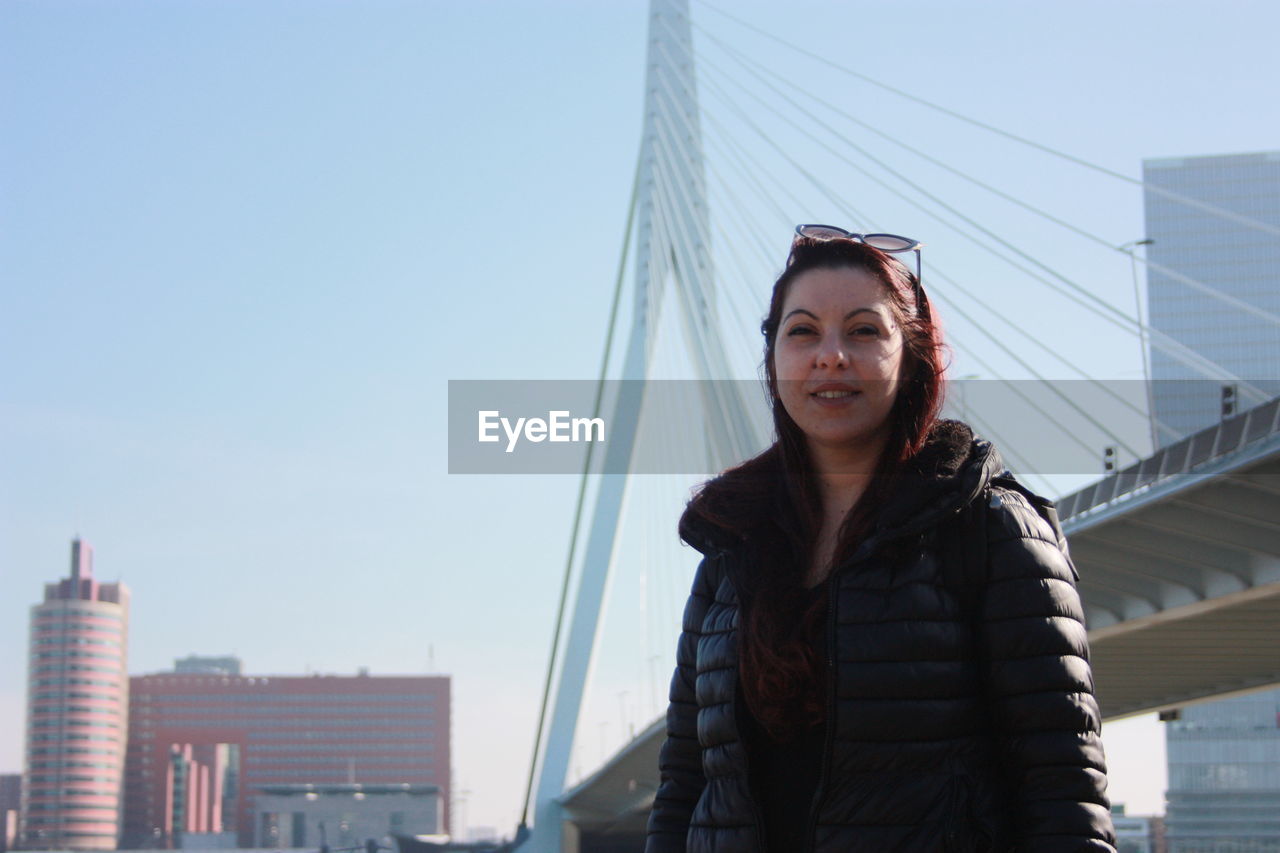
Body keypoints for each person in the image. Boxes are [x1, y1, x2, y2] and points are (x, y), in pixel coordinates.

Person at [644, 228, 1116, 852]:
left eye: (864, 331)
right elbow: (686, 783)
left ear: (913, 355)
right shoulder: (734, 547)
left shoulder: (989, 530)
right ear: (774, 359)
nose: (830, 356)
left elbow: (1063, 794)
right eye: (803, 331)